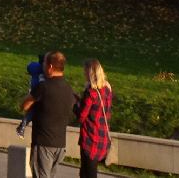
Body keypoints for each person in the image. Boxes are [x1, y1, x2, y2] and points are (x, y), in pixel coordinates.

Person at [20, 50, 75, 178]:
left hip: (43, 143)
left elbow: (24, 105)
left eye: (44, 63)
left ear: (50, 67)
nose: (42, 66)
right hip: (60, 144)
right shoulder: (68, 88)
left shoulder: (43, 87)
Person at [75, 58, 113, 178]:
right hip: (102, 136)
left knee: (87, 173)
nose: (83, 74)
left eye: (85, 71)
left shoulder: (91, 93)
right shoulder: (107, 89)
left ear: (90, 73)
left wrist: (75, 105)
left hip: (90, 137)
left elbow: (81, 116)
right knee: (90, 171)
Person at [15, 54, 45, 137]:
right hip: (39, 93)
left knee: (32, 109)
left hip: (33, 92)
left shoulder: (35, 67)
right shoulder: (44, 73)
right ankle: (22, 126)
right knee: (34, 109)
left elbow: (29, 66)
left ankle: (22, 126)